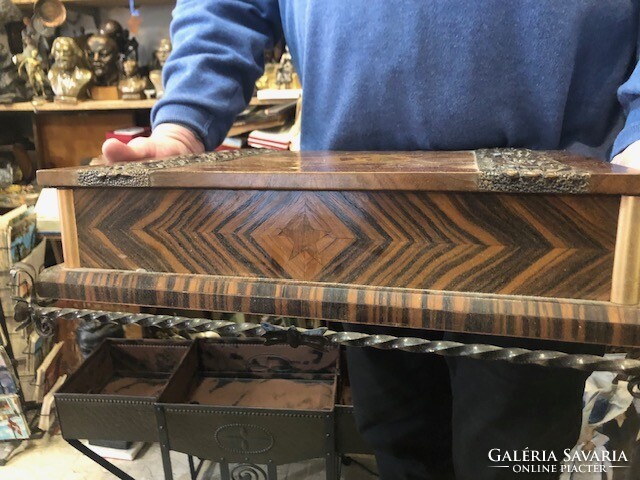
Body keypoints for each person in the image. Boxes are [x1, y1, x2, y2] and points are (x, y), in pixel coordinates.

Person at [102, 2, 640, 479]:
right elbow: (226, 7)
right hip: (358, 221)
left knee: (514, 456)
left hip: (546, 227)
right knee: (396, 440)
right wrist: (184, 122)